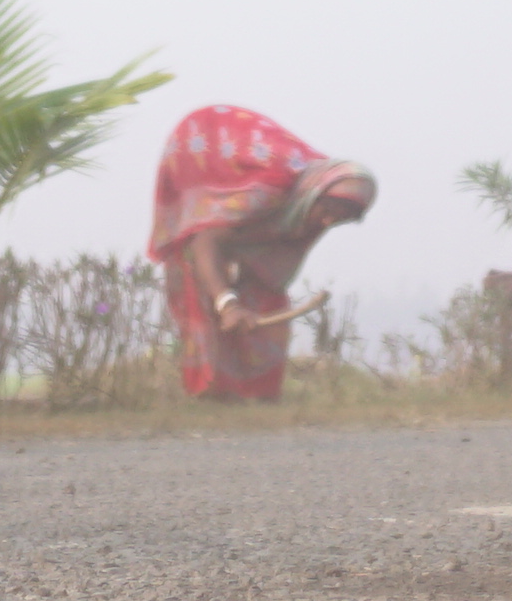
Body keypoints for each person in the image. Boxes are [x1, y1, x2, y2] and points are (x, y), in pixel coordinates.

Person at [145, 108, 375, 400]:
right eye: (327, 211)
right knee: (200, 280)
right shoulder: (270, 187)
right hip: (198, 151)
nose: (328, 222)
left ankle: (256, 396)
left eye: (341, 219)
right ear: (316, 194)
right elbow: (206, 240)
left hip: (246, 213)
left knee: (261, 301)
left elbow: (270, 274)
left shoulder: (308, 203)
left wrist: (243, 300)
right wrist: (227, 303)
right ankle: (210, 394)